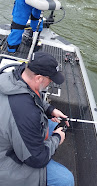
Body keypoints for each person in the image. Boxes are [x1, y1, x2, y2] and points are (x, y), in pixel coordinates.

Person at [0, 51, 74, 186]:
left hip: (9, 134)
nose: (50, 83)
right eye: (50, 80)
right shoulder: (25, 112)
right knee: (65, 180)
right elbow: (36, 159)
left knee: (51, 126)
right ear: (39, 78)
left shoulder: (15, 76)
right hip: (6, 161)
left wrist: (50, 110)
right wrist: (57, 139)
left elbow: (31, 95)